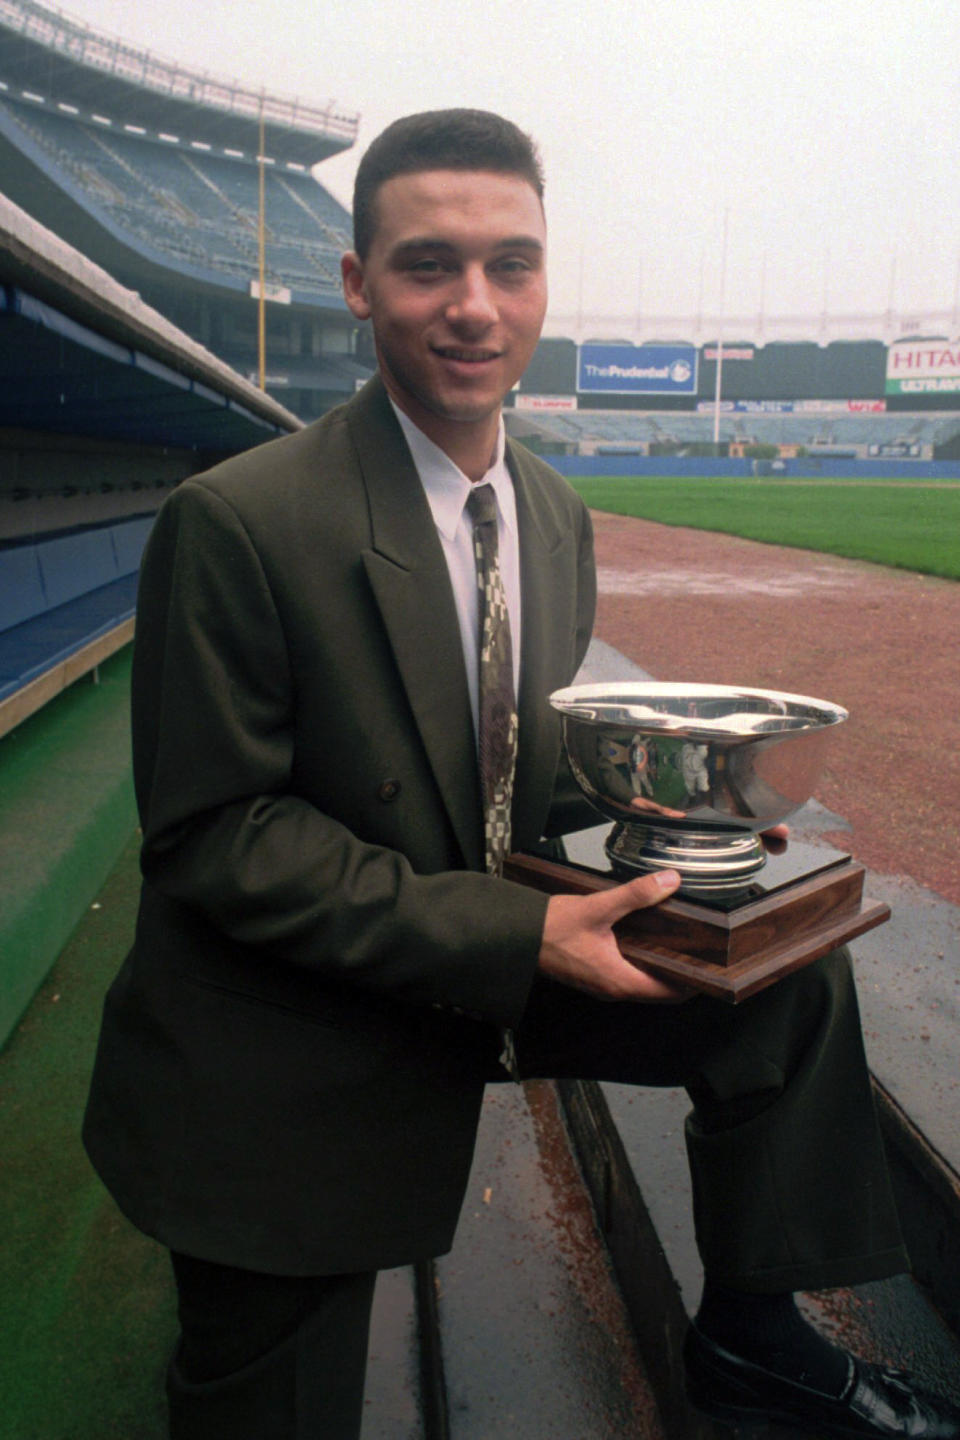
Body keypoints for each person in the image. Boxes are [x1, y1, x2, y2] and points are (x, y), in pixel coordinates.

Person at [83, 109, 959, 1440]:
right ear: (359, 284)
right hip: (294, 1030)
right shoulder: (240, 521)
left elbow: (521, 772)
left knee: (790, 977)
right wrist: (522, 930)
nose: (475, 306)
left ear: (546, 282)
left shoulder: (549, 512)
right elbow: (219, 838)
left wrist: (694, 841)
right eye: (430, 264)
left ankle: (755, 1336)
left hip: (481, 962)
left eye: (513, 265)